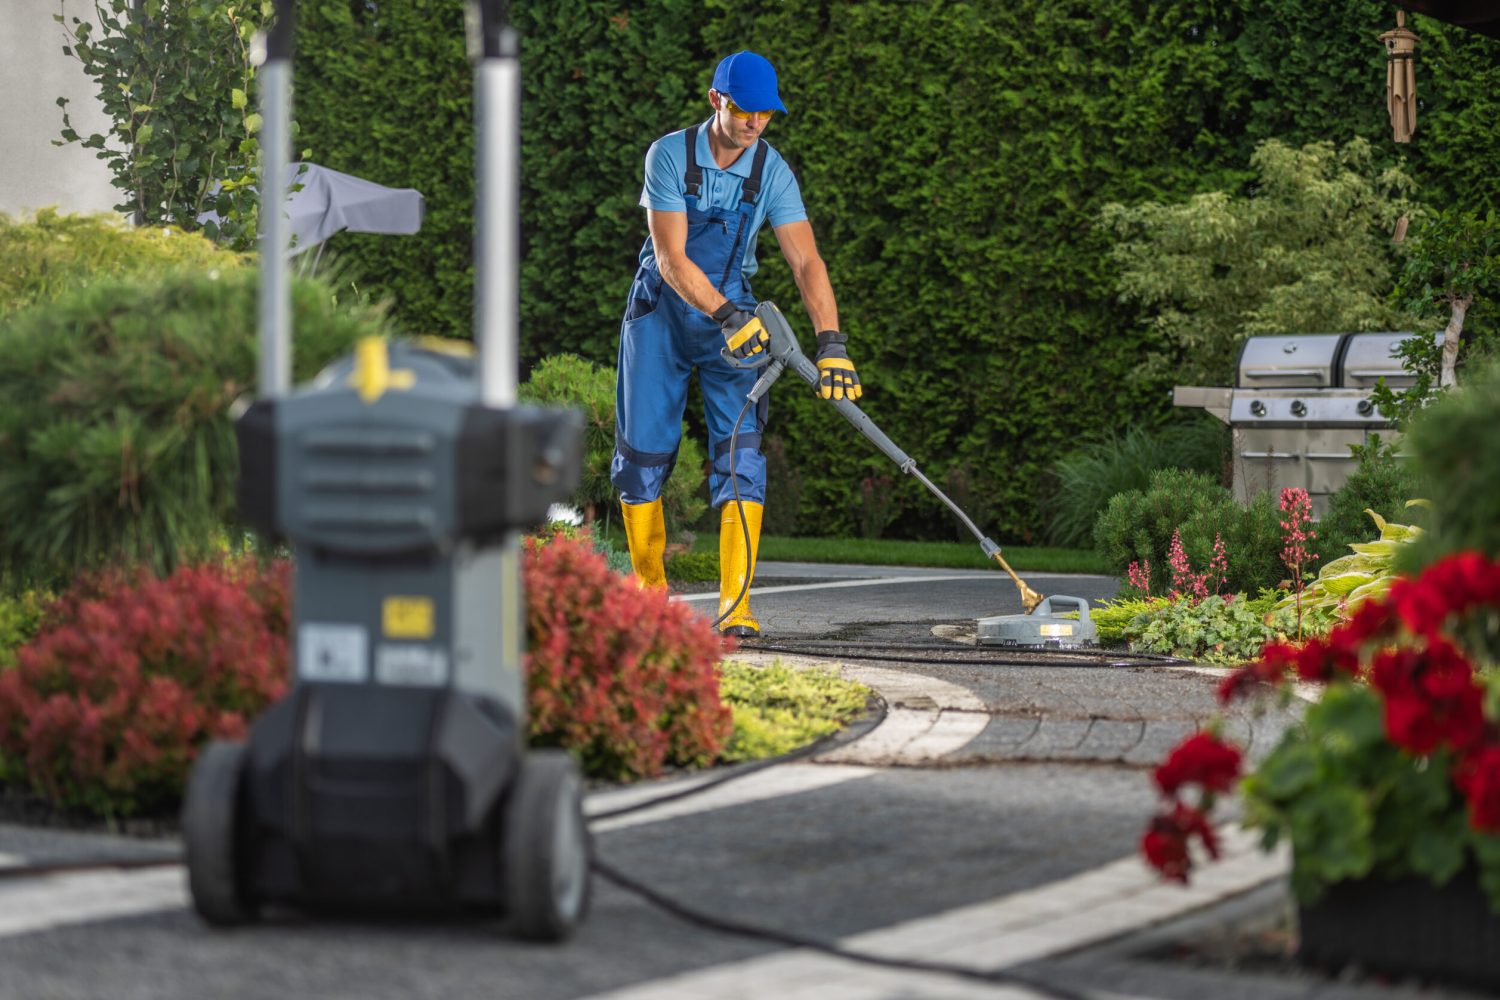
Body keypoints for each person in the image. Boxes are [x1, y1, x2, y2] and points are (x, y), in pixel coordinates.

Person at [611, 50, 861, 638]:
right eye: (745, 111)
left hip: (734, 319)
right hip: (661, 316)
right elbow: (671, 260)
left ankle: (735, 608)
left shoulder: (772, 169)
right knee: (644, 456)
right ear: (716, 100)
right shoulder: (669, 154)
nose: (755, 124)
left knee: (742, 460)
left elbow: (805, 262)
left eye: (767, 115)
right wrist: (724, 315)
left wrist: (832, 342)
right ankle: (649, 595)